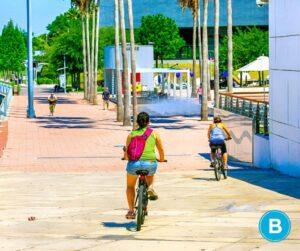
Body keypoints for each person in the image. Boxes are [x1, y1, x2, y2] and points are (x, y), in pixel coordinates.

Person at [123, 112, 165, 219]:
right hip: (150, 163)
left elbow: (127, 152)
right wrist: (161, 159)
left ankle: (131, 211)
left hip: (134, 164)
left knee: (130, 186)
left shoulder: (132, 134)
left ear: (137, 122)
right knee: (150, 174)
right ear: (148, 122)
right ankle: (150, 187)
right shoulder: (154, 134)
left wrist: (126, 158)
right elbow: (160, 149)